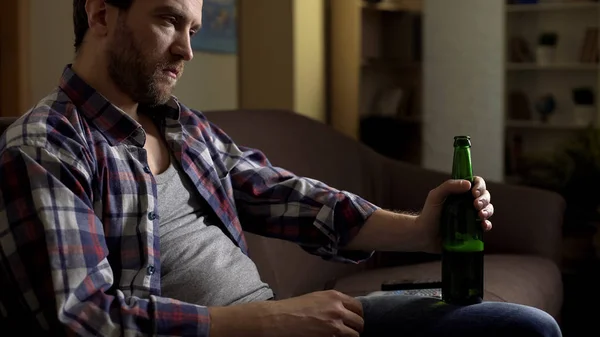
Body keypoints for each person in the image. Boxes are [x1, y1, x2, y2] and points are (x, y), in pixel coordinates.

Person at [0, 0, 561, 336]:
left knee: (521, 328)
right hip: (260, 328)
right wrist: (271, 323)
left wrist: (420, 228)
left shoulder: (179, 124)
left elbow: (288, 196)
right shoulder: (46, 146)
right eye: (169, 21)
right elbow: (83, 320)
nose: (186, 51)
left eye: (194, 29)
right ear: (101, 13)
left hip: (288, 322)